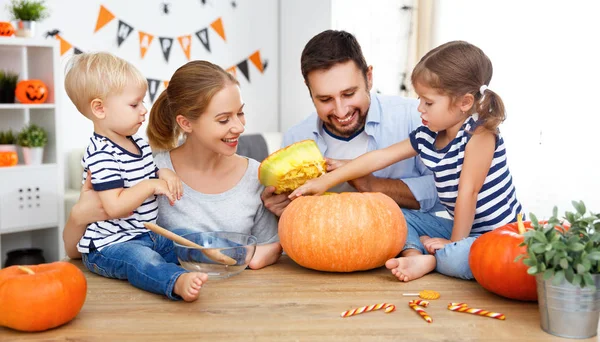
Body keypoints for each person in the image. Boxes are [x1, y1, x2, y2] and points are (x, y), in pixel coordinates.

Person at [290, 40, 525, 282]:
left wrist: (453, 244)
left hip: (499, 235)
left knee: (459, 257)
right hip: (466, 230)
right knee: (397, 217)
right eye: (420, 99)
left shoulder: (479, 134)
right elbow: (379, 158)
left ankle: (433, 259)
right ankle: (416, 252)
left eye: (428, 102)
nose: (419, 108)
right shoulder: (427, 134)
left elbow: (468, 192)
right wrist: (327, 180)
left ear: (464, 103)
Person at [63, 60, 282, 281]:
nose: (239, 127)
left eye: (240, 113)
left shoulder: (255, 174)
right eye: (224, 119)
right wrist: (77, 216)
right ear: (185, 123)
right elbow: (79, 251)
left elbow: (272, 247)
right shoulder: (148, 173)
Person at [64, 52, 206, 302]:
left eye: (142, 102)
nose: (144, 110)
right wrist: (151, 185)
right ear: (100, 108)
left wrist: (163, 172)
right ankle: (175, 282)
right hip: (110, 246)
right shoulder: (101, 154)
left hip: (146, 235)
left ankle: (224, 259)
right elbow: (115, 206)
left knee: (185, 236)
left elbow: (145, 172)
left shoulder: (137, 142)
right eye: (134, 104)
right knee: (142, 260)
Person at [262, 30, 440, 217]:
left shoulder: (415, 117)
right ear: (310, 92)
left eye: (348, 94)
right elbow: (296, 218)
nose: (341, 111)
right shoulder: (296, 137)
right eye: (325, 99)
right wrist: (282, 211)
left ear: (369, 78)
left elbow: (445, 192)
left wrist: (372, 185)